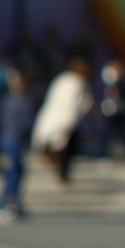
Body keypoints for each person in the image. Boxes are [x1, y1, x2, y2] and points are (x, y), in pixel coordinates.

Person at [31, 56, 93, 185]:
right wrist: (69, 122)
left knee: (59, 147)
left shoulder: (62, 79)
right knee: (65, 149)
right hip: (65, 120)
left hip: (53, 116)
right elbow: (74, 105)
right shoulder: (77, 82)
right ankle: (61, 173)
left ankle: (60, 172)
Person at [0, 68, 37, 224]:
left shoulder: (9, 100)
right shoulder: (20, 101)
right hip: (13, 140)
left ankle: (12, 202)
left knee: (16, 171)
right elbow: (24, 123)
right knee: (13, 173)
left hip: (9, 139)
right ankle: (6, 203)